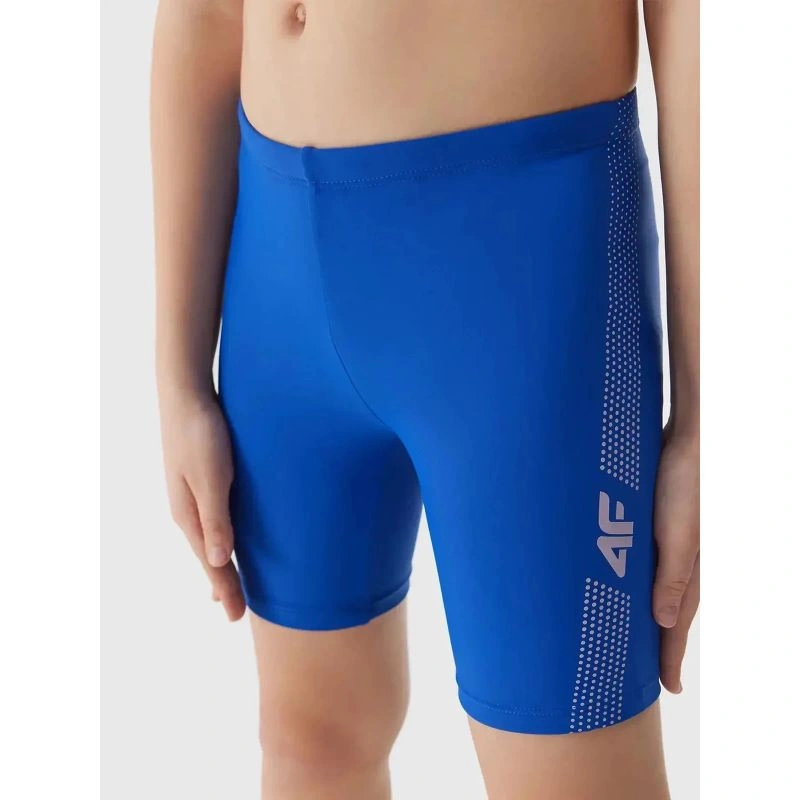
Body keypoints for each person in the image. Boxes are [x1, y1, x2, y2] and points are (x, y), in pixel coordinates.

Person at [151, 0, 699, 797]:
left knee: (570, 771)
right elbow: (204, 14)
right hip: (275, 271)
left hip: (522, 272)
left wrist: (706, 419)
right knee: (310, 740)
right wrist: (177, 376)